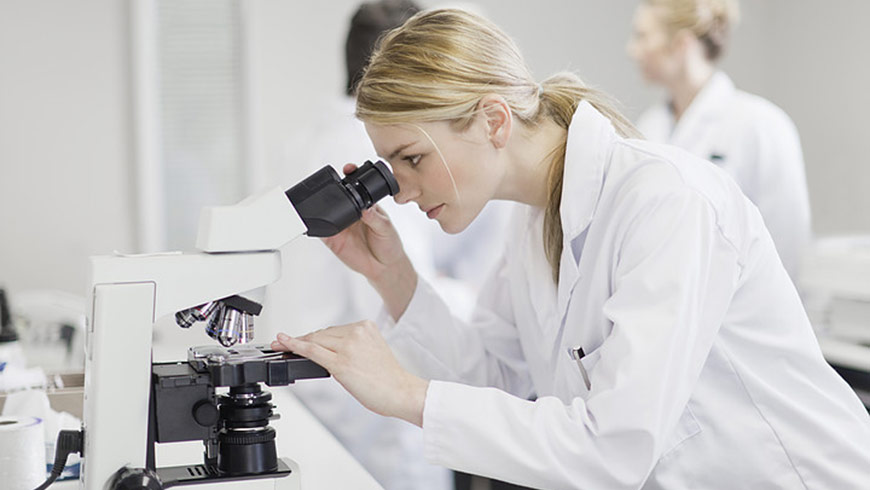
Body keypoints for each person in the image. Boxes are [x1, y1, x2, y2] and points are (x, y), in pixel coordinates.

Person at [272, 8, 870, 489]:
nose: (399, 190)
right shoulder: (535, 221)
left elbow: (611, 449)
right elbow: (497, 376)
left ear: (494, 121)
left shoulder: (665, 202)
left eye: (413, 158)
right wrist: (393, 276)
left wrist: (405, 395)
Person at [260, 2, 509, 489]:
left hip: (320, 408)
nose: (404, 188)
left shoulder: (307, 139)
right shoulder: (371, 143)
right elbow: (385, 307)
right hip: (374, 433)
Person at [627, 0, 812, 281]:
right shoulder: (647, 128)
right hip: (665, 307)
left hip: (740, 317)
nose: (632, 50)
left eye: (642, 36)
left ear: (680, 45)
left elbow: (788, 244)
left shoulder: (762, 125)